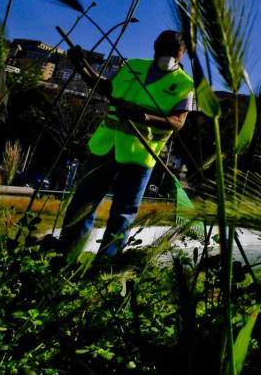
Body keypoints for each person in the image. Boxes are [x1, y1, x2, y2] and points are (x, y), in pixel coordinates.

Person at [55, 30, 195, 258]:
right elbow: (106, 88)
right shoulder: (134, 66)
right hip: (105, 146)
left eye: (173, 54)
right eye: (163, 51)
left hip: (140, 156)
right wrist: (82, 66)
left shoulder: (185, 85)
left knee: (123, 212)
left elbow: (178, 122)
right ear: (154, 47)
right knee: (83, 203)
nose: (167, 57)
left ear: (182, 55)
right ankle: (66, 254)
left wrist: (144, 116)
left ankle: (105, 263)